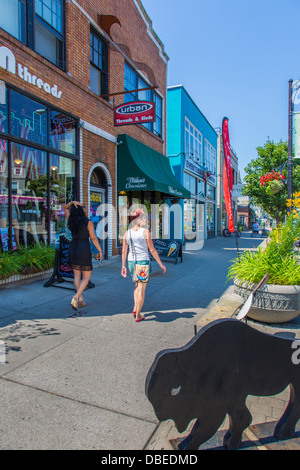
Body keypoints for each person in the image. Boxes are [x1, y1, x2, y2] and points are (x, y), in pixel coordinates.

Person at [121, 208, 166, 322]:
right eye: (144, 217)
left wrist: (123, 266)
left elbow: (124, 251)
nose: (146, 219)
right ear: (138, 219)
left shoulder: (127, 232)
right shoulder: (145, 232)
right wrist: (161, 264)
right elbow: (152, 250)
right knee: (141, 289)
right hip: (142, 263)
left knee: (137, 286)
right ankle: (138, 315)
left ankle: (135, 308)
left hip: (131, 262)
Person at [64, 200, 102, 310]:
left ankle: (81, 300)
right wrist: (99, 250)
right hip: (84, 248)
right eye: (83, 207)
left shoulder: (71, 220)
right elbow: (93, 238)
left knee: (76, 275)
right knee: (86, 277)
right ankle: (76, 297)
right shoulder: (88, 222)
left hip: (73, 247)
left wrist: (72, 203)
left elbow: (66, 208)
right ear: (81, 210)